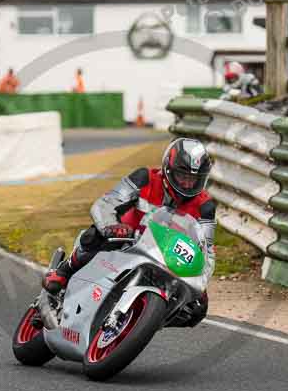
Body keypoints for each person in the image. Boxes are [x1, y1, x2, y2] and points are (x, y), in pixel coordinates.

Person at [43, 137, 215, 327]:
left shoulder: (205, 206)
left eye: (194, 179)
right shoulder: (145, 177)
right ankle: (64, 271)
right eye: (183, 177)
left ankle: (145, 322)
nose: (188, 185)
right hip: (127, 238)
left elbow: (206, 250)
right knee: (96, 235)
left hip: (167, 257)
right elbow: (106, 203)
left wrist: (201, 281)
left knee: (197, 309)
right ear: (168, 169)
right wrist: (110, 225)